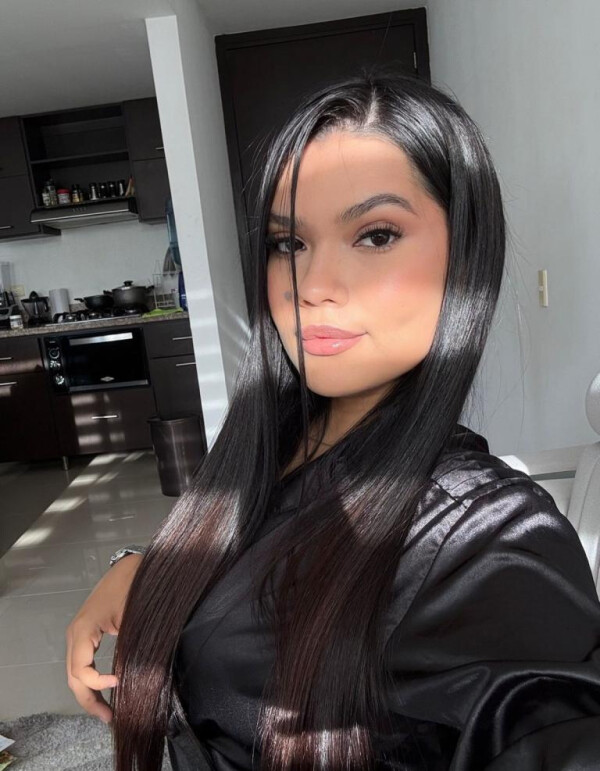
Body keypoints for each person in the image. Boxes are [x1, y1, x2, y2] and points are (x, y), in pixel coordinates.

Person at [65, 70, 600, 771]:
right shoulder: (276, 441)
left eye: (376, 235)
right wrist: (146, 570)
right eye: (289, 244)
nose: (312, 287)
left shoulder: (493, 543)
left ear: (464, 258)